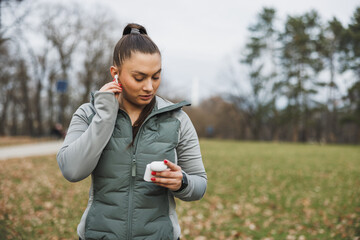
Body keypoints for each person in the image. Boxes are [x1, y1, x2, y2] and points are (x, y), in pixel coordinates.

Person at [56, 23, 207, 240]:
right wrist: (105, 116)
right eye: (139, 77)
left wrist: (182, 182)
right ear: (115, 74)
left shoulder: (177, 119)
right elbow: (72, 170)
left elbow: (199, 183)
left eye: (156, 76)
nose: (149, 87)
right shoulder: (88, 113)